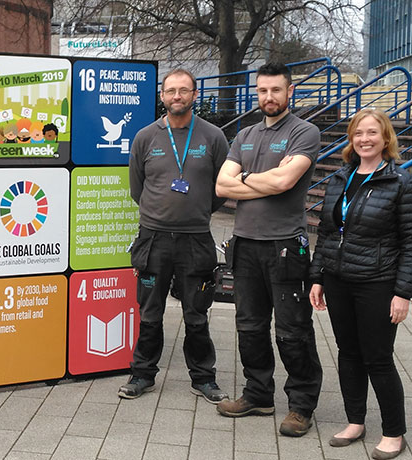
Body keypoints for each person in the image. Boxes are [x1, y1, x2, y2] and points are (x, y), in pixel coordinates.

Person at [215, 62, 323, 436]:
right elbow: (221, 187)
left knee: (292, 331)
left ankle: (301, 405)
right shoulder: (245, 134)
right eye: (262, 90)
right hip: (244, 244)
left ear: (290, 91)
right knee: (249, 326)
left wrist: (244, 179)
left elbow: (284, 180)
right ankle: (258, 394)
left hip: (284, 247)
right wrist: (263, 181)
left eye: (276, 90)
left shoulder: (304, 132)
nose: (269, 97)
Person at [119, 68, 229, 403]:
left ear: (195, 95)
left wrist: (194, 211)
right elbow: (137, 188)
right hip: (154, 238)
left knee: (196, 313)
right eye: (170, 91)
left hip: (196, 238)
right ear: (162, 96)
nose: (176, 96)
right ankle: (142, 375)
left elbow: (220, 189)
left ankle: (204, 378)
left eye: (183, 90)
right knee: (150, 311)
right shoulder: (145, 137)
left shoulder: (213, 137)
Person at [310, 109, 410, 459]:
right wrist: (318, 276)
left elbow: (410, 242)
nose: (365, 139)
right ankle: (355, 421)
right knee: (348, 353)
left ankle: (394, 432)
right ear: (351, 139)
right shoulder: (341, 178)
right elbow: (326, 231)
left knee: (378, 358)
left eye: (372, 133)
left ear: (386, 139)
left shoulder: (399, 182)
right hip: (338, 279)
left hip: (377, 283)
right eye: (358, 133)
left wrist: (402, 293)